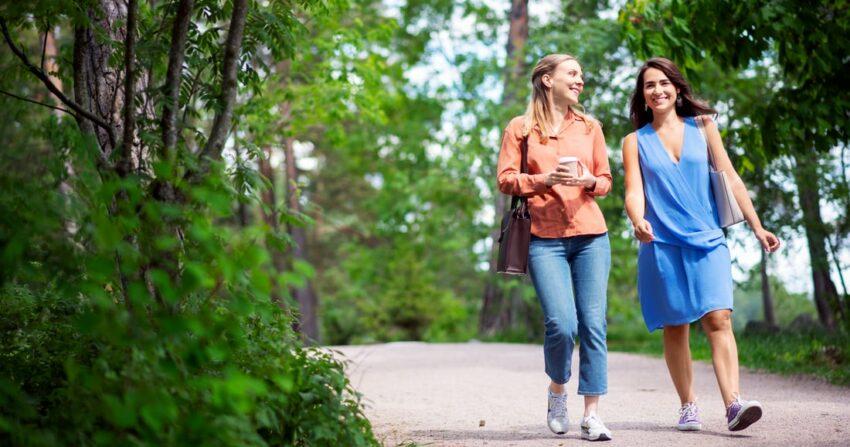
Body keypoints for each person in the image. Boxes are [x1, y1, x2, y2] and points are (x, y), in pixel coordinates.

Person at [622, 57, 781, 432]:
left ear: (677, 88)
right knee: (676, 325)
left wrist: (757, 226)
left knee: (718, 318)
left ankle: (733, 404)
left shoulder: (704, 126)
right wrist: (637, 220)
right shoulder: (634, 141)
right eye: (649, 86)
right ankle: (688, 405)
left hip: (708, 239)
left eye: (664, 83)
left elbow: (730, 177)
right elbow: (633, 191)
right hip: (661, 242)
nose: (657, 90)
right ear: (643, 96)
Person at [497, 54, 613, 441]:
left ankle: (592, 414)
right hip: (544, 239)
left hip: (591, 236)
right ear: (547, 80)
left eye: (581, 73)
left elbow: (606, 180)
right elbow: (506, 179)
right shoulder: (521, 127)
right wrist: (544, 178)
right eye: (572, 73)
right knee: (562, 325)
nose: (580, 79)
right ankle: (557, 391)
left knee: (594, 324)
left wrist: (586, 180)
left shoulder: (590, 126)